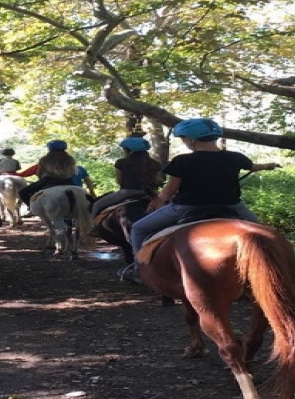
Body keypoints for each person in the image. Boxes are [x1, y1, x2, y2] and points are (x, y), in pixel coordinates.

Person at [118, 119, 279, 283]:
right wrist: (268, 165)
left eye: (183, 138)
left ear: (190, 139)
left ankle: (139, 270)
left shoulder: (182, 161)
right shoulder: (236, 157)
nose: (184, 141)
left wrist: (158, 201)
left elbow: (169, 192)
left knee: (138, 228)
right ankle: (276, 269)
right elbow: (253, 167)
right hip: (232, 206)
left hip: (185, 208)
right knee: (267, 236)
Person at [90, 136, 163, 217]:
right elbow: (158, 180)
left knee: (96, 205)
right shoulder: (155, 164)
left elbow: (119, 181)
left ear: (128, 150)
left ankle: (93, 228)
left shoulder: (121, 162)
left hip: (126, 192)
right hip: (151, 194)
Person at [16, 139, 82, 204]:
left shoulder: (44, 159)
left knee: (22, 193)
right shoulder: (70, 159)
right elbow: (73, 171)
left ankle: (31, 208)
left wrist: (40, 180)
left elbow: (39, 172)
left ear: (49, 148)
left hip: (48, 180)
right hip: (67, 180)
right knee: (82, 194)